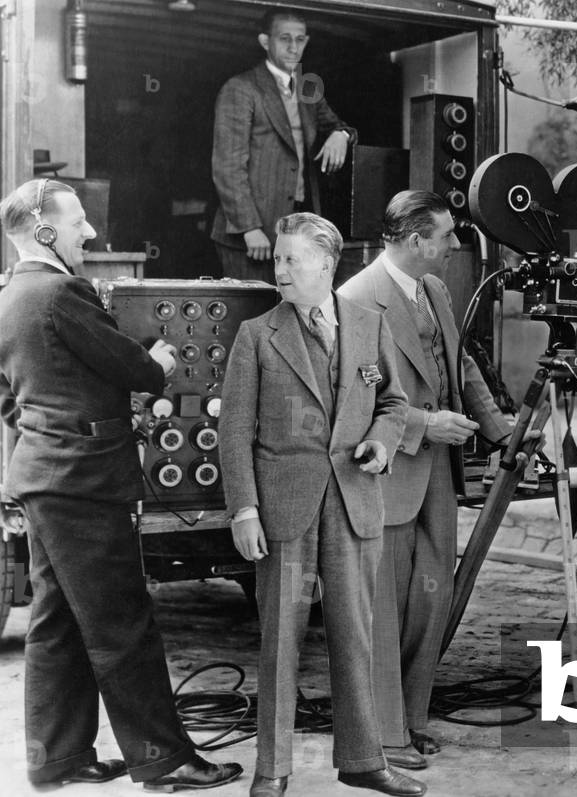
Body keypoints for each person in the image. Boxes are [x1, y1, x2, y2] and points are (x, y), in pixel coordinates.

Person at [0, 178, 243, 791]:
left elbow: (9, 401)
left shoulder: (9, 296)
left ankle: (59, 760)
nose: (89, 232)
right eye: (77, 221)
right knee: (123, 624)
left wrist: (53, 431)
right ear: (45, 231)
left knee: (56, 621)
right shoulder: (62, 292)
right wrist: (158, 362)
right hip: (85, 483)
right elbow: (133, 367)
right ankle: (167, 761)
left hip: (44, 477)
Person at [219, 212, 424, 797]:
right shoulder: (257, 335)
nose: (280, 269)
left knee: (355, 637)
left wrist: (381, 443)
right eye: (278, 258)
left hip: (354, 505)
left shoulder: (368, 325)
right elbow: (234, 430)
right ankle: (272, 769)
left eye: (292, 259)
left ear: (328, 264)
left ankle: (362, 761)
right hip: (284, 510)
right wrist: (244, 510)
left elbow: (393, 404)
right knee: (280, 641)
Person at [339, 190, 535, 767]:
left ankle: (409, 720)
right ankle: (382, 736)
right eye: (446, 235)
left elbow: (461, 364)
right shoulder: (355, 299)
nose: (454, 244)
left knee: (430, 602)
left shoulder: (435, 290)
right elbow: (349, 403)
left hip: (436, 479)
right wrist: (426, 425)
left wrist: (501, 432)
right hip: (385, 474)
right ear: (415, 240)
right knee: (383, 610)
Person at [211, 8, 356, 282]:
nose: (293, 47)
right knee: (254, 306)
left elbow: (339, 125)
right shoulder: (241, 88)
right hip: (252, 236)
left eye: (300, 40)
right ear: (265, 41)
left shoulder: (307, 89)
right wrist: (249, 228)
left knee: (288, 307)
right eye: (284, 38)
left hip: (295, 234)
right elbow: (228, 166)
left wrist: (341, 135)